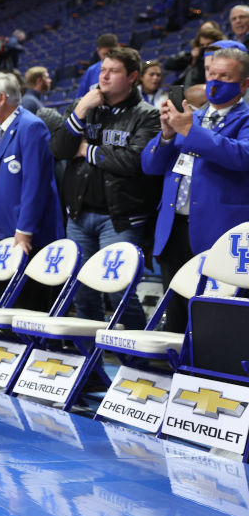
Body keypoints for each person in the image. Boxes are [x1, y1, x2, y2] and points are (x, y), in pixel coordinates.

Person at [49, 48, 160, 332]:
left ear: (133, 77)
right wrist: (81, 109)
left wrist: (88, 150)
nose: (105, 76)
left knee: (118, 292)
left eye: (113, 71)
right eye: (102, 70)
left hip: (120, 217)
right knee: (82, 291)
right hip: (79, 215)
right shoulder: (85, 106)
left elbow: (133, 162)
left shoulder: (147, 115)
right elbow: (60, 149)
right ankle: (92, 365)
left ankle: (136, 358)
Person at [142, 47, 249, 333]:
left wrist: (191, 131)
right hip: (174, 228)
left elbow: (242, 156)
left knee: (214, 318)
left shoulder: (242, 119)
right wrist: (166, 135)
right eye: (211, 74)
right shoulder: (192, 117)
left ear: (244, 84)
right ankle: (173, 372)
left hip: (219, 232)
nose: (215, 81)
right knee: (175, 312)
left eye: (225, 76)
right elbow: (150, 165)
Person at [0, 73, 64, 311]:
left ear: (1, 98)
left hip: (27, 239)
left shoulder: (31, 127)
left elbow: (36, 184)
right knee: (6, 312)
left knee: (28, 312)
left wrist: (24, 232)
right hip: (0, 238)